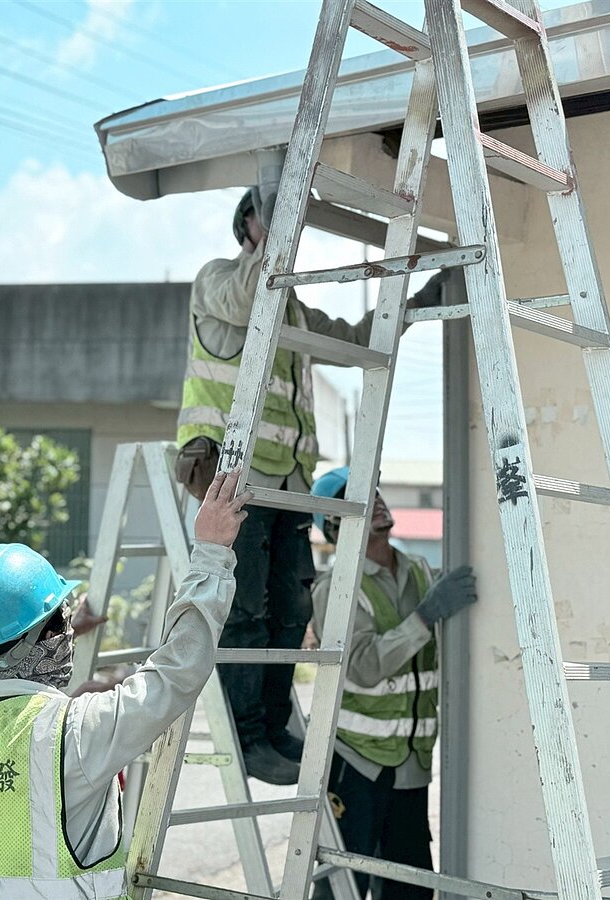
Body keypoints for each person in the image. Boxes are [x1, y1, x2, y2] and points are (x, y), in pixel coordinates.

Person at [174, 189, 448, 785]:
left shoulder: (294, 310)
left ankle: (273, 728)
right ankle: (248, 736)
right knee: (245, 609)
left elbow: (357, 339)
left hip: (286, 483)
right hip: (230, 474)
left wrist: (423, 298)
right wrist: (269, 235)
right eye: (270, 213)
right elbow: (249, 295)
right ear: (246, 225)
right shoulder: (217, 280)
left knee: (292, 608)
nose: (285, 224)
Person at [0, 470, 251, 900]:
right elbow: (178, 670)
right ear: (44, 636)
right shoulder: (75, 733)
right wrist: (211, 555)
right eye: (63, 621)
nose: (70, 633)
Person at [308, 467, 477, 900]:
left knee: (411, 889)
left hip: (410, 762)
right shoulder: (337, 587)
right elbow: (362, 665)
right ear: (335, 525)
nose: (377, 500)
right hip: (356, 762)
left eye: (377, 492)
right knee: (344, 886)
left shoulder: (418, 570)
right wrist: (425, 616)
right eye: (360, 495)